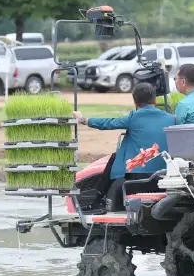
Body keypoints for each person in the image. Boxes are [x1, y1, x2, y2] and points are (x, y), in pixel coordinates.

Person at [73, 82, 175, 210]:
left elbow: (108, 123)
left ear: (135, 103)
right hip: (165, 177)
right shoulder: (172, 119)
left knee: (115, 157)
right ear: (155, 100)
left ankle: (97, 201)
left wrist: (83, 119)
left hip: (138, 180)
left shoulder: (133, 117)